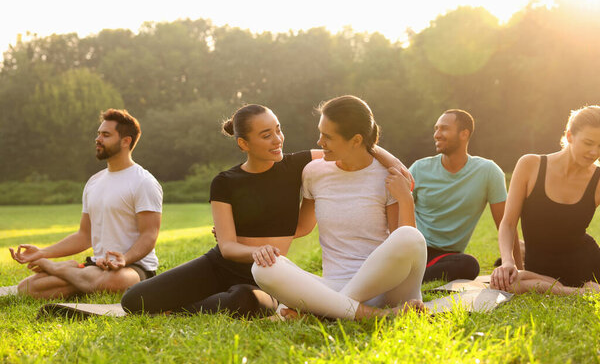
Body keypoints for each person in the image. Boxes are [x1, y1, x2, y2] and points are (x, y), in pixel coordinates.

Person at [121, 103, 406, 317]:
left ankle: (185, 306)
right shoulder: (224, 182)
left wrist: (391, 163)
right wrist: (253, 248)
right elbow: (229, 247)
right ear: (244, 143)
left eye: (278, 130)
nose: (278, 139)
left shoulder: (299, 166)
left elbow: (354, 149)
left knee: (245, 302)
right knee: (134, 301)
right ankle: (193, 299)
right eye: (266, 135)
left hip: (270, 274)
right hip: (220, 266)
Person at [252, 95, 427, 320]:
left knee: (410, 237)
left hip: (386, 288)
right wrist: (247, 234)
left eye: (328, 137)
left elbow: (403, 242)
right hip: (332, 286)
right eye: (320, 133)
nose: (319, 142)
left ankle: (326, 313)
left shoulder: (386, 176)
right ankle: (364, 314)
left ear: (355, 140)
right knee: (263, 268)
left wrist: (405, 199)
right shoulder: (315, 172)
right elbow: (301, 227)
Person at [9, 109, 162, 299]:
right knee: (26, 288)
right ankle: (80, 276)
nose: (98, 139)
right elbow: (84, 235)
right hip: (96, 266)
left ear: (126, 141)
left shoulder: (144, 182)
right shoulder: (94, 182)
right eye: (98, 134)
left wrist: (125, 258)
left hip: (134, 267)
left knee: (117, 281)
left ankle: (64, 270)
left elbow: (149, 235)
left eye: (106, 135)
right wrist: (42, 253)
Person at [491, 105, 600, 295]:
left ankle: (573, 291)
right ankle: (579, 292)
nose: (594, 152)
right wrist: (508, 261)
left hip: (584, 263)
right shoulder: (530, 165)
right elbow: (508, 223)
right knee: (505, 283)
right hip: (539, 268)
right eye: (588, 143)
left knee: (518, 285)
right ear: (569, 136)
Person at [409, 109, 522, 283]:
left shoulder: (488, 172)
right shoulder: (419, 169)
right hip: (414, 248)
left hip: (446, 258)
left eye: (444, 129)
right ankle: (407, 274)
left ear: (464, 134)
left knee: (469, 265)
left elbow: (506, 223)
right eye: (436, 129)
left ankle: (410, 277)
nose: (437, 135)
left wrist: (518, 270)